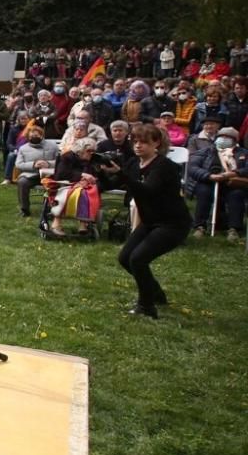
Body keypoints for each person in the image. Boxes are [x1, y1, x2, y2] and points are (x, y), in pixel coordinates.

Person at [101, 124, 191, 318]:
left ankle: (146, 306)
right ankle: (156, 293)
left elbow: (148, 191)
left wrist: (121, 174)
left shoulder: (164, 166)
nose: (138, 146)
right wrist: (99, 171)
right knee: (125, 258)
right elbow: (114, 183)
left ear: (156, 143)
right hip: (151, 221)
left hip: (173, 223)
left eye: (144, 142)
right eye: (135, 142)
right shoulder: (134, 164)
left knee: (138, 259)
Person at [185, 127, 247, 240]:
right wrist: (209, 176)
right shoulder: (206, 151)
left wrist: (234, 173)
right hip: (208, 181)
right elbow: (193, 167)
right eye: (221, 137)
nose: (223, 139)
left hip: (232, 182)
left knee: (236, 195)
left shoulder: (243, 153)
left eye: (227, 137)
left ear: (234, 140)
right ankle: (200, 226)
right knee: (204, 192)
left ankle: (234, 229)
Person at [46, 137, 101, 236]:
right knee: (67, 194)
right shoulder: (67, 157)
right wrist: (82, 175)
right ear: (80, 150)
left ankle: (83, 223)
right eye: (89, 150)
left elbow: (96, 174)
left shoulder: (93, 159)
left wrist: (89, 179)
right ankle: (56, 223)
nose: (91, 153)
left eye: (93, 151)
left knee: (85, 193)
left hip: (84, 186)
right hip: (65, 184)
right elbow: (60, 174)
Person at [15, 125, 59, 217]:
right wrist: (33, 165)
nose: (34, 137)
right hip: (30, 174)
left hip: (49, 174)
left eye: (36, 135)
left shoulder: (53, 146)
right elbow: (18, 164)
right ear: (27, 137)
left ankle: (49, 209)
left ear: (42, 135)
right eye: (31, 136)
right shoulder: (23, 148)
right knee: (22, 182)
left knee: (54, 183)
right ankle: (24, 209)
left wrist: (48, 163)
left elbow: (60, 162)